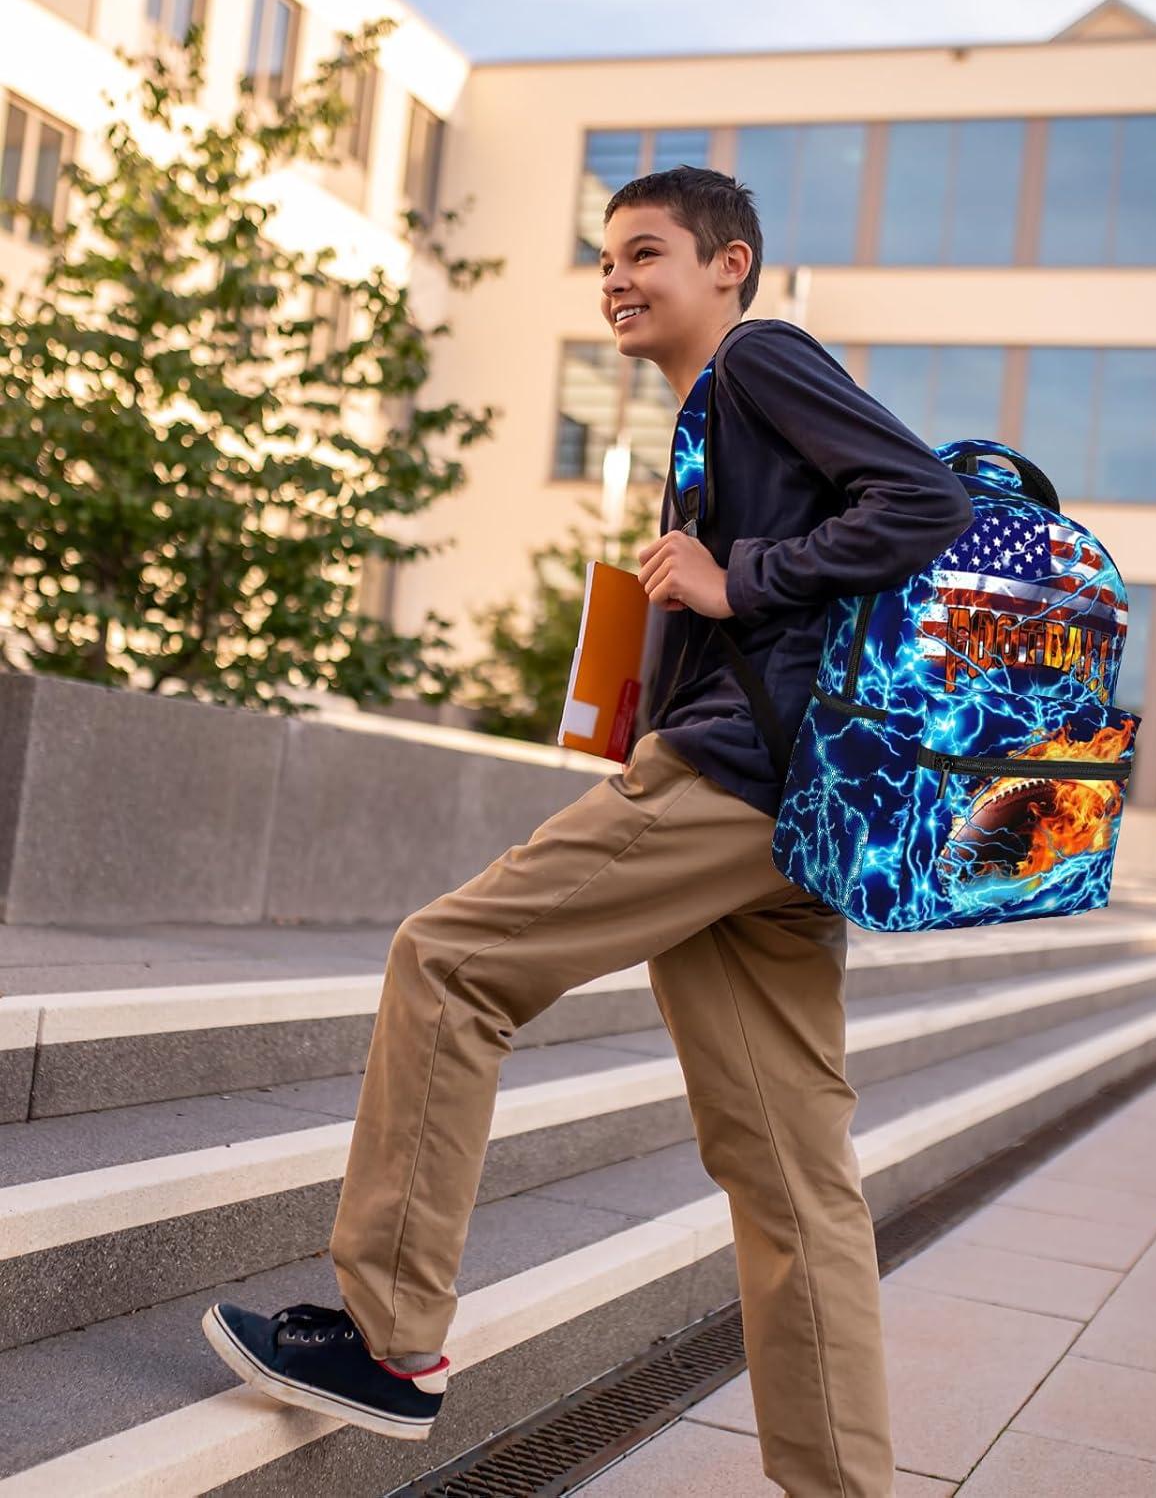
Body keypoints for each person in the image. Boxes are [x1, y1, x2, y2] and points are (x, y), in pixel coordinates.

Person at [202, 165, 972, 1496]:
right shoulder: (710, 415)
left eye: (647, 252)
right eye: (606, 259)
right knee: (791, 1170)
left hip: (733, 785)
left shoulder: (760, 360)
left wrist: (741, 577)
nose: (617, 278)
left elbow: (922, 499)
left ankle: (389, 1342)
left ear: (729, 265)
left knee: (450, 964)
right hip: (792, 813)